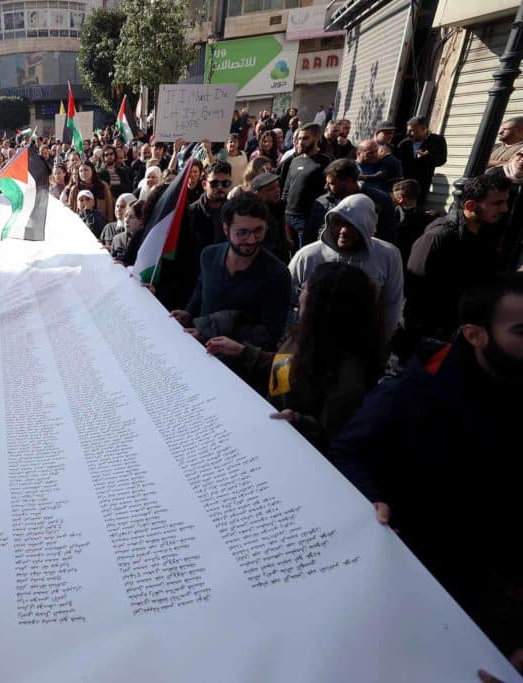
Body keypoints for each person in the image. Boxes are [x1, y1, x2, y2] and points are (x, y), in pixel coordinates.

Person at [328, 273, 523, 666]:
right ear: (475, 335)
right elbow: (347, 453)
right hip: (425, 583)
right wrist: (371, 499)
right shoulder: (410, 395)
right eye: (521, 330)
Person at [206, 262, 384, 451]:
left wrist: (299, 422)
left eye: (305, 290)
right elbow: (285, 368)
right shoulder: (308, 334)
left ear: (322, 305)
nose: (299, 296)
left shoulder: (349, 378)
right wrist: (243, 352)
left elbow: (331, 438)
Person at [172, 194, 292, 349]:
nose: (251, 240)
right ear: (226, 229)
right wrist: (188, 314)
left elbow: (268, 334)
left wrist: (208, 334)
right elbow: (201, 292)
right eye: (242, 233)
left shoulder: (277, 274)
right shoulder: (209, 256)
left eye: (258, 231)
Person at [405, 173, 511, 341]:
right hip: (432, 334)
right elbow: (415, 289)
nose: (504, 209)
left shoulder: (490, 232)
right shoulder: (440, 236)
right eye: (497, 203)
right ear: (470, 205)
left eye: (505, 202)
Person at [291, 194, 404, 340]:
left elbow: (392, 306)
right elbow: (285, 299)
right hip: (312, 344)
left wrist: (380, 345)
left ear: (368, 226)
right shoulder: (308, 256)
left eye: (352, 224)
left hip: (362, 347)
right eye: (338, 223)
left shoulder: (388, 256)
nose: (343, 230)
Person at [306, 159, 397, 243]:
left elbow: (388, 235)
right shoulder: (322, 202)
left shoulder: (380, 200)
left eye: (332, 183)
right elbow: (311, 234)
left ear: (348, 181)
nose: (326, 187)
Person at [278, 122, 333, 248]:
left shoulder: (326, 161)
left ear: (317, 138)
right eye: (299, 138)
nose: (300, 142)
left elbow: (329, 191)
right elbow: (286, 189)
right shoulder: (294, 160)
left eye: (305, 138)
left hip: (307, 220)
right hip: (288, 217)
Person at [395, 116, 448, 203]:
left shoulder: (437, 140)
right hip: (402, 184)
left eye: (413, 130)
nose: (410, 133)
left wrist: (427, 157)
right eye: (409, 130)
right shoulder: (404, 143)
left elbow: (442, 160)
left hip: (421, 185)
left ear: (424, 128)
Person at [391, 179, 438, 269]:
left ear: (400, 198)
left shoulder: (394, 214)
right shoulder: (426, 217)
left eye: (394, 197)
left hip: (397, 257)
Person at [250, 172, 292, 263]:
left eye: (278, 186)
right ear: (257, 193)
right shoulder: (254, 215)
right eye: (271, 189)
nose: (277, 190)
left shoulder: (278, 207)